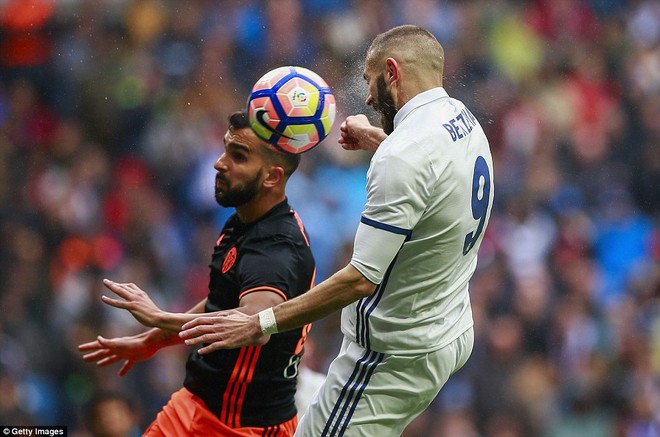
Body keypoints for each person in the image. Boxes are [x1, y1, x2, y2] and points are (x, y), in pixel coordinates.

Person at [179, 24, 495, 436]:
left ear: (393, 72)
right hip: (449, 326)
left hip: (391, 355)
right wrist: (379, 141)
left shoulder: (404, 155)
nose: (367, 96)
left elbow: (361, 280)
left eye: (369, 79)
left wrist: (260, 323)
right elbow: (433, 176)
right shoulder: (462, 119)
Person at [78, 111, 316, 436]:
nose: (219, 163)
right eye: (225, 149)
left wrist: (160, 317)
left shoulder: (277, 246)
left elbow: (254, 325)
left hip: (243, 428)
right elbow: (220, 303)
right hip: (192, 403)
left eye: (238, 156)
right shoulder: (239, 223)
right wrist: (154, 341)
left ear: (272, 177)